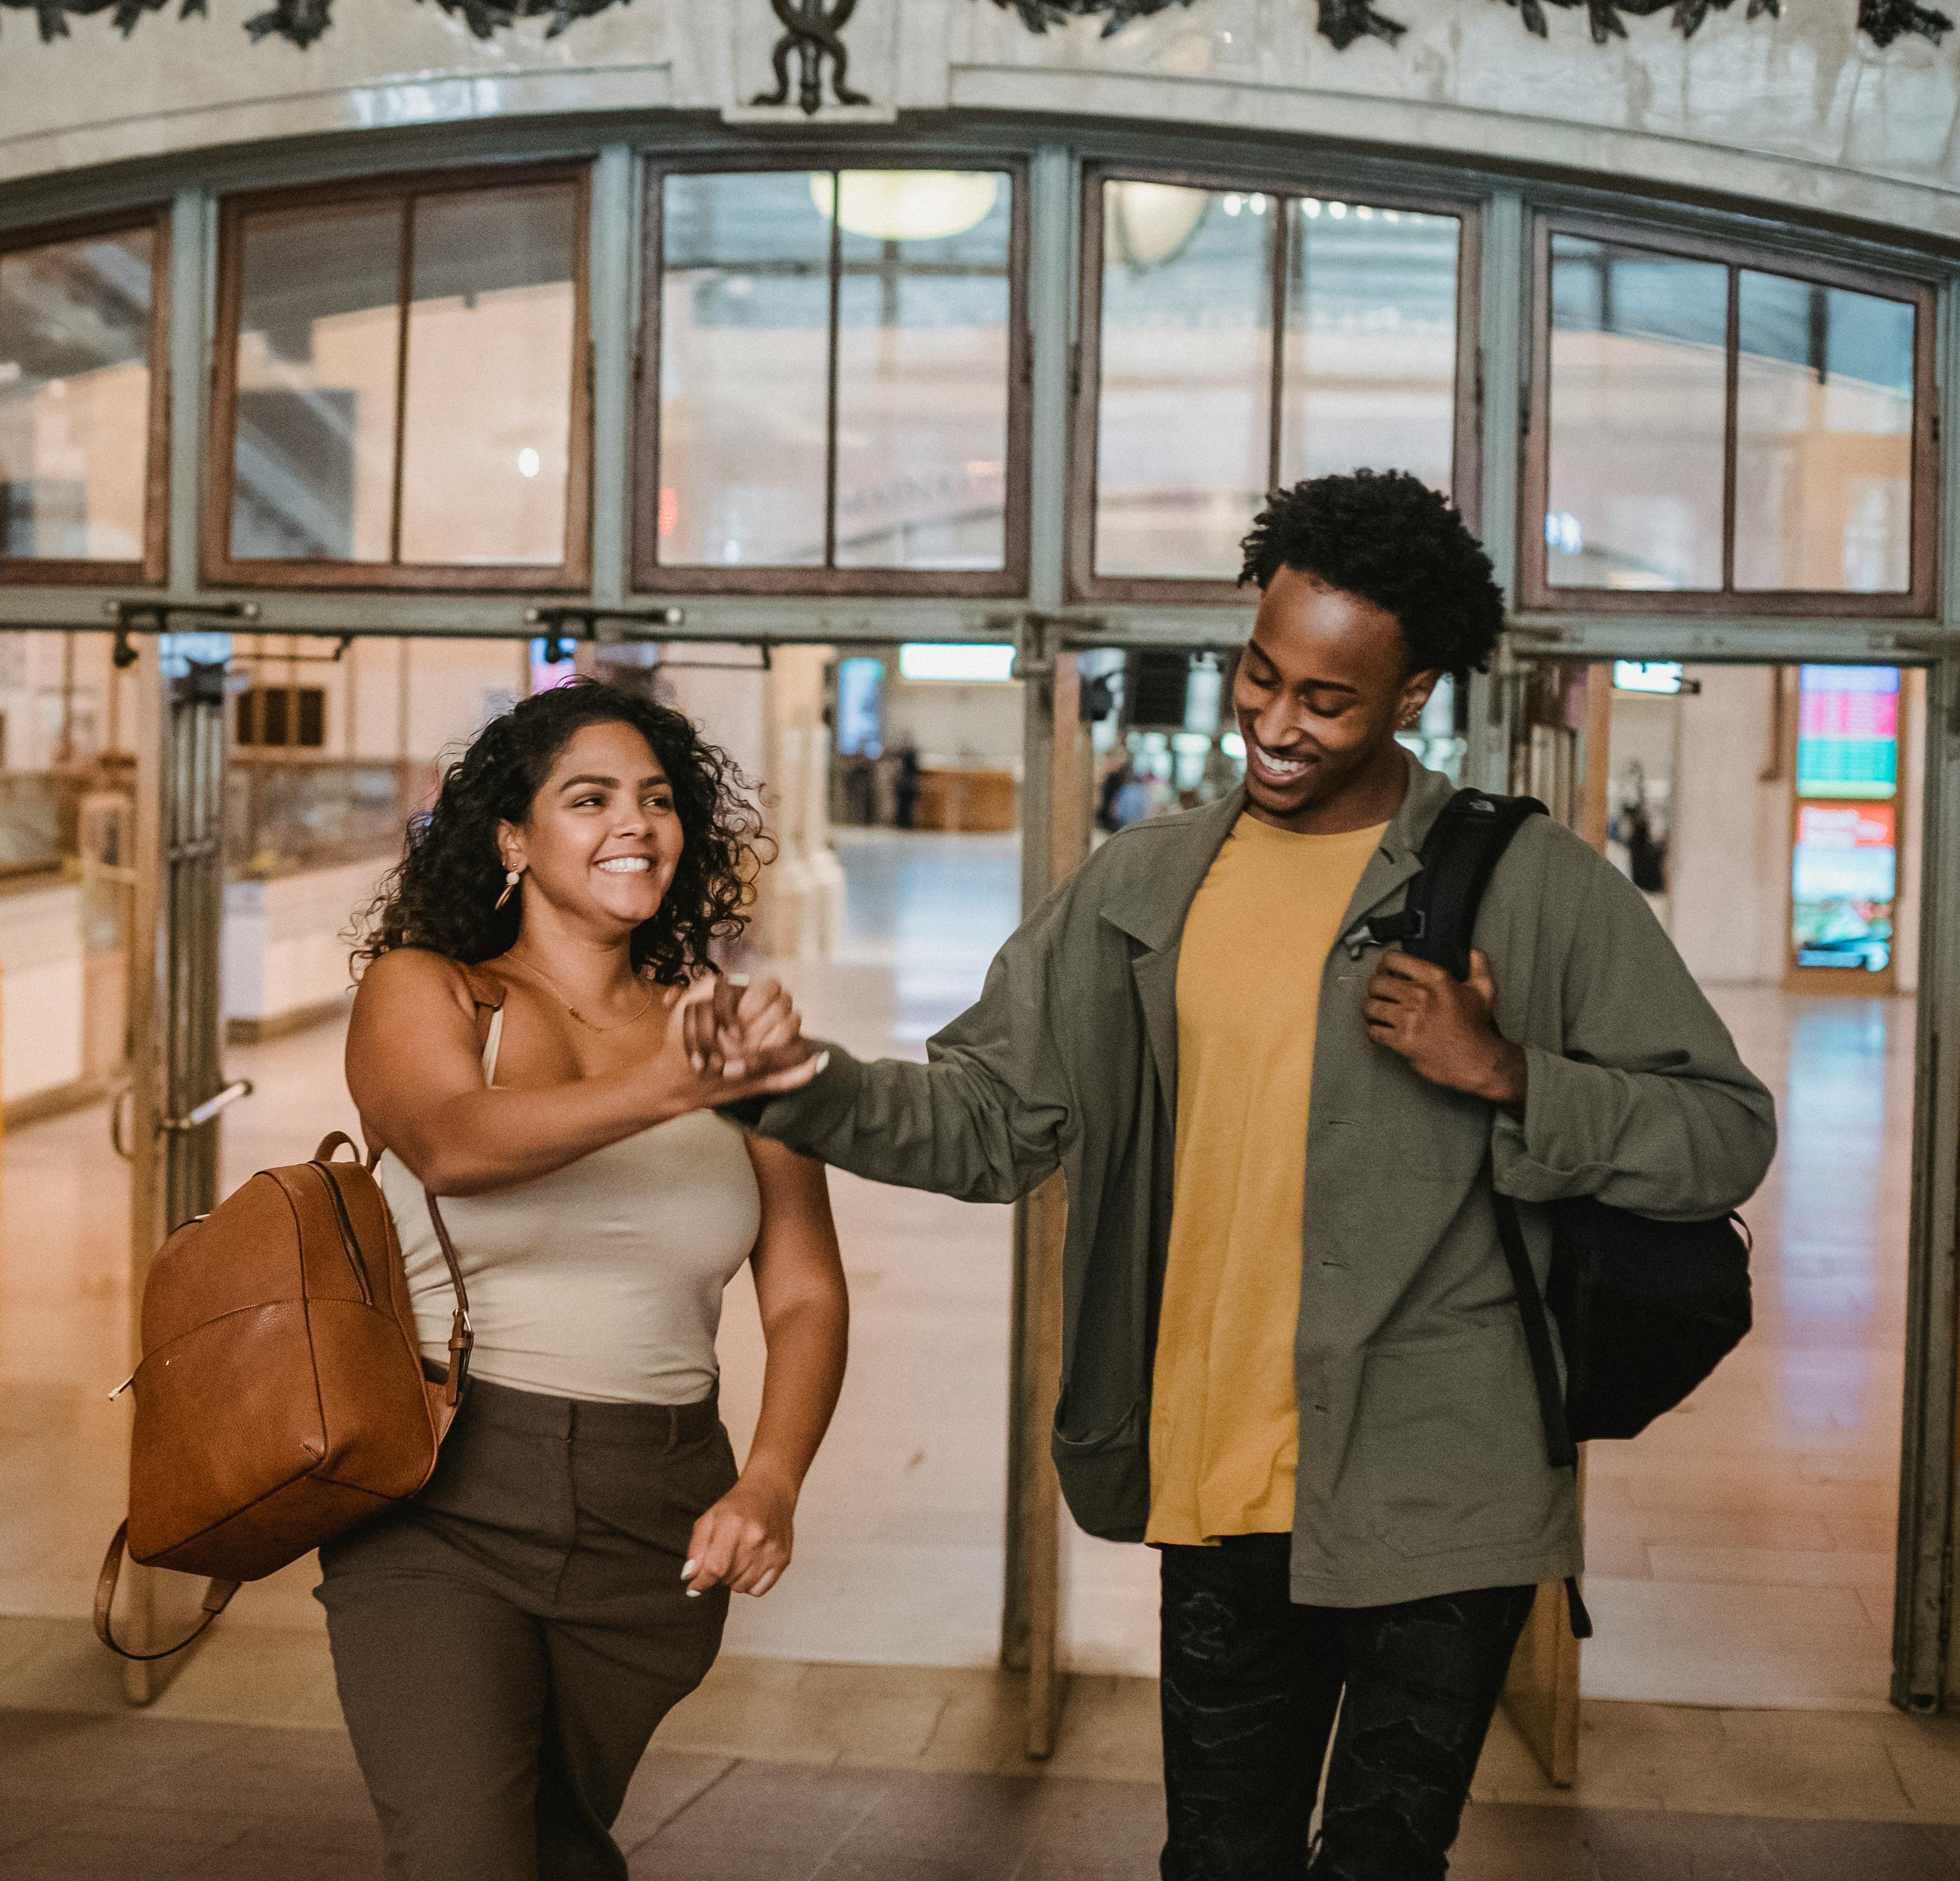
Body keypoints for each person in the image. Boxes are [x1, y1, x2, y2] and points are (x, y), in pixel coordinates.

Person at [690, 471, 1775, 1880]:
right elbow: (988, 1118)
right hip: (1216, 1475)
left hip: (1444, 1489)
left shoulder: (1528, 884)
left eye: (1325, 699)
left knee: (1383, 1864)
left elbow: (1721, 1132)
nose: (1272, 722)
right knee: (1218, 1860)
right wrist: (800, 1084)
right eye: (1257, 675)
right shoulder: (1145, 886)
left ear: (1413, 693)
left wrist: (1509, 1073)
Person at [333, 680, 849, 1881]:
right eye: (591, 797)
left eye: (659, 800)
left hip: (656, 1505)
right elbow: (455, 1142)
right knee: (467, 1854)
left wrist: (772, 1479)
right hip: (444, 1488)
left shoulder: (726, 1034)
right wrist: (677, 1084)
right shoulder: (431, 989)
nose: (637, 823)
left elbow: (804, 1293)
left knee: (557, 1851)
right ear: (513, 837)